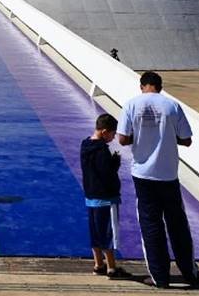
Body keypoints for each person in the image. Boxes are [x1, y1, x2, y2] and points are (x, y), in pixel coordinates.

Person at [117, 71, 199, 289]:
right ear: (159, 86)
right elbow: (186, 140)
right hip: (168, 174)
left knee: (151, 225)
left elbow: (122, 139)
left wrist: (137, 137)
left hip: (143, 174)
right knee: (178, 225)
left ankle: (160, 277)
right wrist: (167, 136)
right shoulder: (172, 106)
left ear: (142, 86)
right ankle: (190, 273)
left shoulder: (132, 105)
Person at [80, 113, 131, 280]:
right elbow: (106, 173)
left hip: (91, 196)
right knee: (108, 233)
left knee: (94, 232)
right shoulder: (102, 150)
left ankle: (98, 264)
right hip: (106, 198)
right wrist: (115, 163)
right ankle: (111, 267)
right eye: (112, 133)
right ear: (104, 132)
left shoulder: (85, 145)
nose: (113, 136)